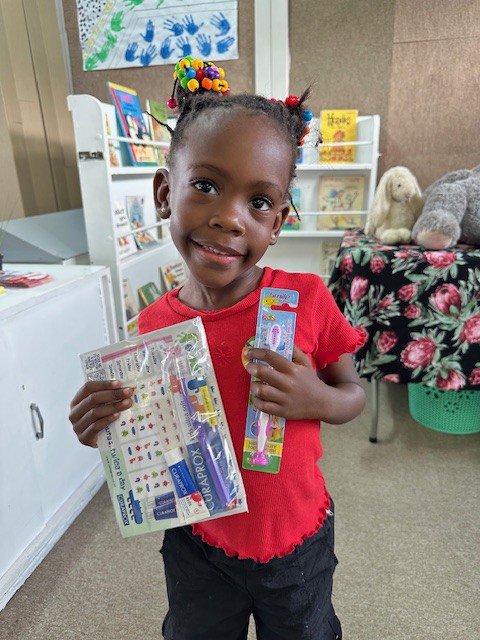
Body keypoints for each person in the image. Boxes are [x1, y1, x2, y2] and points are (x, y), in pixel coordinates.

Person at [69, 57, 366, 640]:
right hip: (198, 542)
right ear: (164, 193)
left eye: (259, 203)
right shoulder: (153, 324)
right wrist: (108, 430)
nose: (229, 219)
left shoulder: (305, 300)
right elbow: (154, 440)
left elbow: (352, 393)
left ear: (278, 223)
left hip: (295, 538)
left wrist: (318, 399)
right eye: (205, 186)